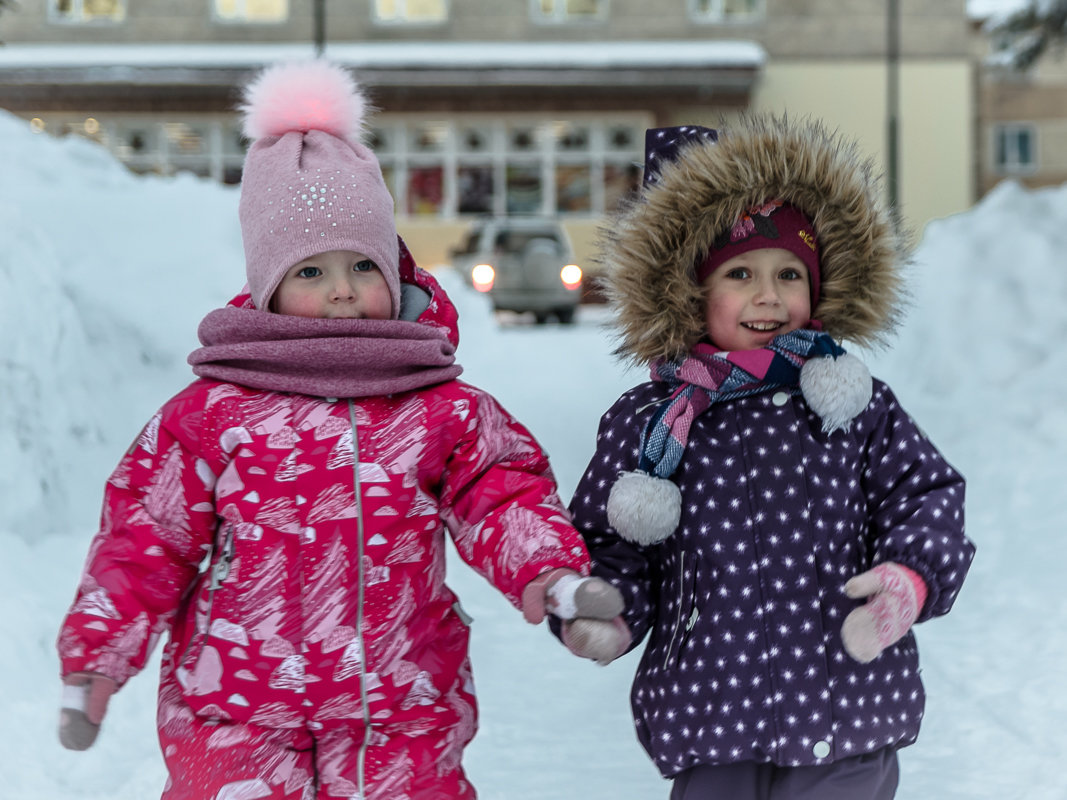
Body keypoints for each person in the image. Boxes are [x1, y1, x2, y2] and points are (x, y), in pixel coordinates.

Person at [55, 60, 622, 800]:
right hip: (237, 709)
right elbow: (147, 536)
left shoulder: (438, 409)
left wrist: (551, 572)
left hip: (400, 705)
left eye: (361, 264)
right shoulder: (212, 415)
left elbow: (501, 495)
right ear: (267, 286)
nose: (344, 290)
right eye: (310, 272)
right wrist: (97, 655)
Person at [557, 119, 975, 799]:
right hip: (712, 709)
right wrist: (608, 610)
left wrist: (909, 578)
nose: (768, 295)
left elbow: (923, 494)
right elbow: (612, 543)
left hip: (849, 702)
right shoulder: (650, 424)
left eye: (788, 274)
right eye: (739, 273)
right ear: (686, 288)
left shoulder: (849, 404)